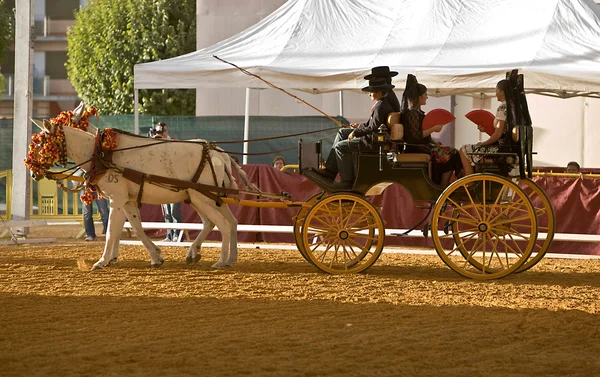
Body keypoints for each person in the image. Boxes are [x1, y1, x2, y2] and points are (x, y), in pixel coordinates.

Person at [317, 77, 395, 187]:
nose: (369, 94)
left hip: (372, 142)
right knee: (342, 132)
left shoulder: (380, 107)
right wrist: (358, 127)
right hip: (373, 137)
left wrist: (356, 132)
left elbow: (373, 127)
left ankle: (346, 181)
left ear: (379, 92)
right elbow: (371, 124)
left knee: (340, 147)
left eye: (371, 92)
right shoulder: (381, 104)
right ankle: (330, 170)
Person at [400, 74, 461, 187]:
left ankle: (444, 184)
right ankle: (443, 185)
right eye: (425, 95)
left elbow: (422, 134)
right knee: (452, 154)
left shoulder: (416, 112)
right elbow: (416, 137)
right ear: (418, 97)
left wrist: (435, 143)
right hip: (415, 147)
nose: (426, 97)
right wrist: (434, 129)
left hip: (423, 145)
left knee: (453, 152)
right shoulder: (412, 113)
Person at [459, 80, 514, 177]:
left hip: (500, 149)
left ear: (502, 92)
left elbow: (498, 134)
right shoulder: (513, 107)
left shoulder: (502, 108)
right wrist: (486, 130)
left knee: (463, 150)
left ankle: (469, 182)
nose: (495, 93)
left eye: (496, 91)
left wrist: (482, 144)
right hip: (508, 146)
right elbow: (502, 131)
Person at [152, 122, 183, 242]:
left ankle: (177, 235)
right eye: (158, 133)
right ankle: (169, 235)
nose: (160, 135)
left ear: (166, 131)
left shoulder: (174, 142)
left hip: (174, 180)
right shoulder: (156, 143)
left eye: (162, 132)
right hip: (162, 180)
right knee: (166, 211)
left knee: (174, 209)